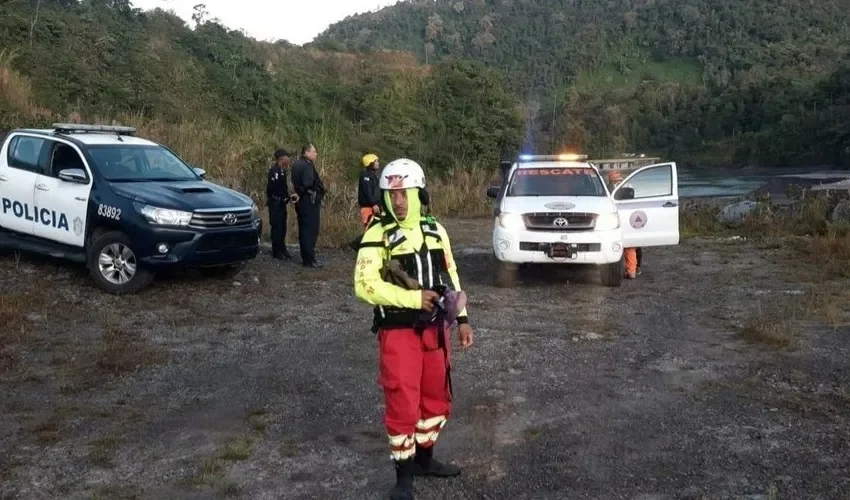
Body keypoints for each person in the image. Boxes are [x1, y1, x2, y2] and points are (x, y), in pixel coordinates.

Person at [353, 158, 474, 500]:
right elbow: (364, 285)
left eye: (405, 193)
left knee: (436, 399)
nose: (399, 201)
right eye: (392, 194)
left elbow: (451, 277)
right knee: (403, 402)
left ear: (419, 192)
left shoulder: (437, 230)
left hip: (436, 331)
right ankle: (403, 476)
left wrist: (462, 319)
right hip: (398, 333)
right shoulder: (377, 233)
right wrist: (412, 298)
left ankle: (425, 459)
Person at [291, 143, 326, 268]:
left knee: (304, 228)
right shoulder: (307, 165)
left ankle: (307, 257)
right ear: (306, 152)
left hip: (303, 201)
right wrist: (301, 193)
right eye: (314, 151)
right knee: (310, 230)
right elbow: (307, 183)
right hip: (309, 200)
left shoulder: (296, 164)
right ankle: (309, 259)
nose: (315, 154)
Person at [607, 170, 642, 279]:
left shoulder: (609, 188)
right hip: (626, 217)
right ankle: (633, 269)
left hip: (617, 217)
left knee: (627, 245)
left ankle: (632, 269)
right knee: (631, 245)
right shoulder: (628, 185)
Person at [266, 148, 297, 260]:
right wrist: (276, 198)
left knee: (282, 226)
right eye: (287, 157)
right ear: (282, 158)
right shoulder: (274, 171)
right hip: (275, 203)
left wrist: (287, 197)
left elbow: (283, 188)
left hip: (282, 203)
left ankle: (282, 248)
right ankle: (276, 250)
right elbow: (271, 189)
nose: (289, 159)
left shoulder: (283, 171)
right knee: (277, 226)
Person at [358, 153, 382, 228]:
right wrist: (374, 204)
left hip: (375, 208)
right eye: (376, 161)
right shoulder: (365, 176)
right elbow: (367, 191)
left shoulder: (375, 176)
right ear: (370, 163)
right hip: (368, 208)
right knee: (369, 229)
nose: (378, 163)